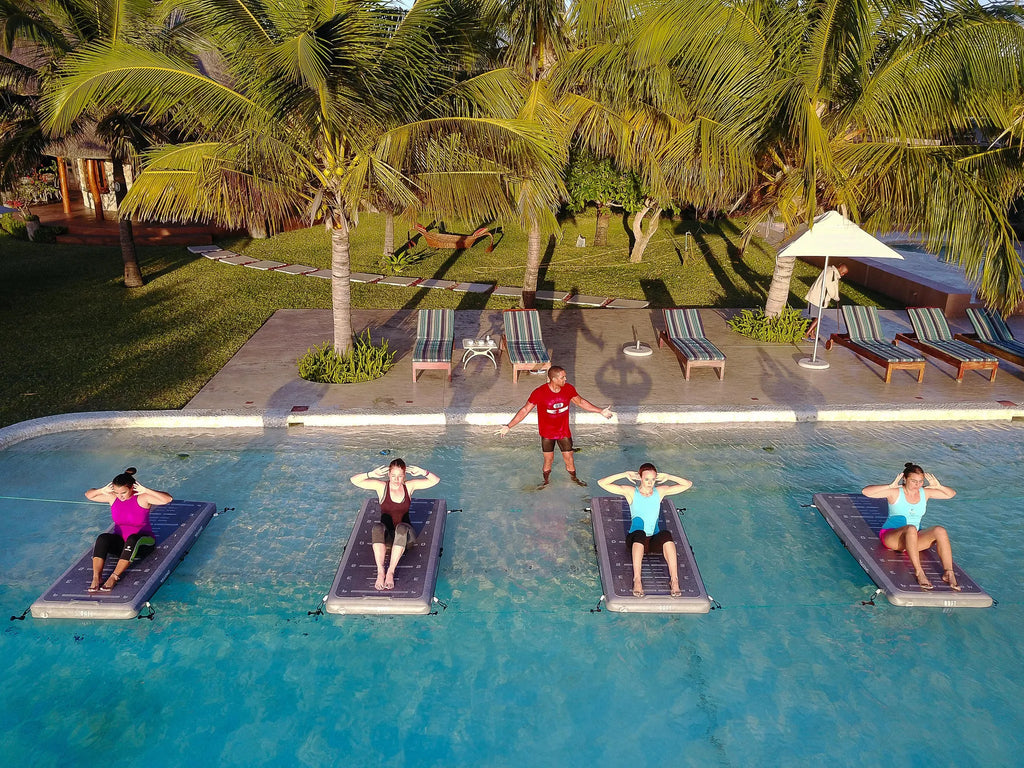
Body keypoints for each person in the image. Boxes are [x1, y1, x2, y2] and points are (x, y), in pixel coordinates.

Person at [498, 365, 613, 487]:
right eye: (562, 378)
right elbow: (525, 410)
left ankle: (574, 479)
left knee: (569, 458)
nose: (565, 379)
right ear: (554, 379)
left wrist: (600, 411)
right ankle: (546, 481)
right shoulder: (540, 392)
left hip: (563, 432)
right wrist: (509, 426)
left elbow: (581, 402)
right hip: (547, 434)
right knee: (549, 460)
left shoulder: (568, 389)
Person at [598, 463, 692, 598]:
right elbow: (602, 483)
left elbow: (688, 484)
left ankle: (674, 580)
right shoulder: (631, 492)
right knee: (640, 533)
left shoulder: (660, 492)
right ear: (640, 478)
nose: (650, 483)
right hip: (635, 540)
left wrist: (669, 476)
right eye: (647, 479)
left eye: (653, 479)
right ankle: (637, 580)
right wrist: (624, 474)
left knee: (666, 534)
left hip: (652, 542)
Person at [862, 462, 960, 591]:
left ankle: (949, 572)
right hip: (892, 537)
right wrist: (889, 486)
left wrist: (939, 486)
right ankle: (919, 572)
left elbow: (951, 494)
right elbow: (866, 492)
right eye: (914, 481)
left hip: (913, 538)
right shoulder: (895, 492)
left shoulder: (925, 492)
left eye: (920, 481)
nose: (917, 485)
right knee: (911, 528)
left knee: (940, 530)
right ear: (905, 479)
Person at [350, 458, 440, 591]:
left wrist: (422, 471)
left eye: (400, 476)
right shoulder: (381, 487)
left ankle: (390, 572)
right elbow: (354, 480)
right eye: (393, 476)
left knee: (401, 528)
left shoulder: (409, 486)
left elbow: (435, 480)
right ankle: (381, 572)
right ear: (388, 475)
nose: (396, 479)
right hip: (387, 539)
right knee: (377, 527)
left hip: (406, 537)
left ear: (405, 476)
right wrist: (371, 474)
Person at [84, 467, 173, 592]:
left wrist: (146, 490)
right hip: (121, 545)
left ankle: (114, 577)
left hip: (143, 544)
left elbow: (168, 499)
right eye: (117, 492)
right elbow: (89, 495)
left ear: (132, 488)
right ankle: (96, 577)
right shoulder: (113, 497)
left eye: (123, 493)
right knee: (102, 537)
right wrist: (102, 490)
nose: (120, 496)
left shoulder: (142, 497)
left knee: (132, 539)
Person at [804, 263, 849, 339]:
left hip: (815, 295)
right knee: (819, 317)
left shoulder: (829, 269)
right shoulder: (832, 275)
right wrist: (836, 297)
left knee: (816, 316)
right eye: (843, 272)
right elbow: (831, 289)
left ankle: (812, 335)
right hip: (820, 299)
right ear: (840, 268)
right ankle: (806, 334)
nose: (843, 275)